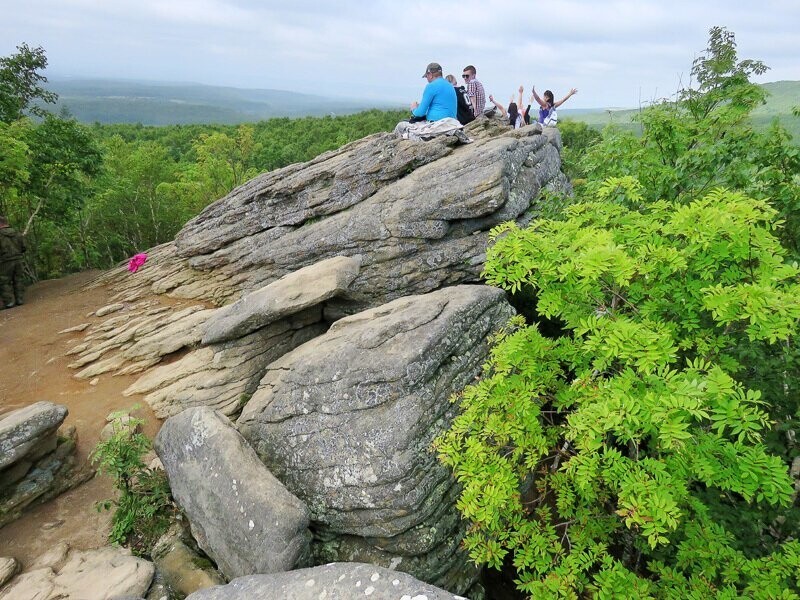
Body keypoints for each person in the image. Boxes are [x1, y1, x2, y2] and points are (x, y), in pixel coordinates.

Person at [0, 215, 26, 309]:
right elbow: (23, 247)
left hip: (4, 261)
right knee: (18, 279)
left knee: (4, 281)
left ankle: (9, 302)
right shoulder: (17, 233)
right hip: (18, 259)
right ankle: (20, 299)